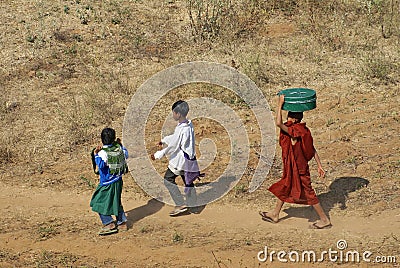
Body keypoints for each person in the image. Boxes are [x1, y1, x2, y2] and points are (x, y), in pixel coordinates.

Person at [259, 95, 332, 229]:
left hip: (299, 169)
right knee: (286, 186)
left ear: (294, 119)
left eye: (289, 118)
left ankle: (324, 219)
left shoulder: (295, 131)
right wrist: (319, 165)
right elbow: (312, 149)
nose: (287, 120)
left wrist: (279, 105)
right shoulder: (304, 131)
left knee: (308, 193)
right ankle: (275, 214)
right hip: (293, 167)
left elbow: (278, 123)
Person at [151, 100, 199, 216]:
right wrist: (164, 140)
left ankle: (180, 204)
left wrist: (158, 154)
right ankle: (193, 205)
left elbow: (174, 145)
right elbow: (175, 138)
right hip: (189, 160)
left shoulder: (182, 129)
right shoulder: (188, 125)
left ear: (178, 114)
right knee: (187, 180)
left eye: (173, 112)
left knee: (168, 180)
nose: (172, 115)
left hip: (180, 160)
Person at [90, 128, 129, 235]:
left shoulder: (103, 153)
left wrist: (96, 154)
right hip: (118, 181)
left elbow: (101, 166)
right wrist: (120, 145)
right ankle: (122, 223)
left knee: (97, 202)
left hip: (107, 183)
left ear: (102, 139)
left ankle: (109, 223)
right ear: (114, 138)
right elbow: (126, 154)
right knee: (116, 201)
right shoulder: (119, 149)